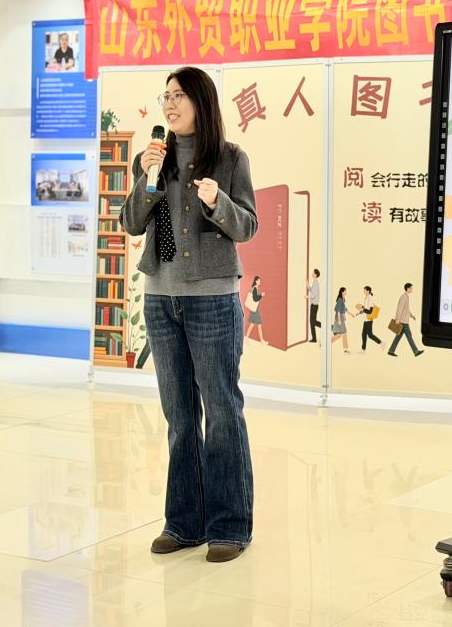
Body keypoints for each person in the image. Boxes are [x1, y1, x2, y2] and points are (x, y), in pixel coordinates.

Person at [119, 66, 257, 564]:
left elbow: (247, 226)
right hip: (161, 297)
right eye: (166, 97)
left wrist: (218, 201)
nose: (170, 104)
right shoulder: (152, 159)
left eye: (179, 95)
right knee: (179, 416)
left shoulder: (230, 157)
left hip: (212, 299)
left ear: (202, 101)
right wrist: (148, 179)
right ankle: (183, 523)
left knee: (221, 412)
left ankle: (229, 526)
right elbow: (131, 222)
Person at [388, 282, 424, 358]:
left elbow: (406, 308)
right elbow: (400, 308)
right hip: (403, 321)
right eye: (411, 288)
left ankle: (391, 351)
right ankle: (416, 352)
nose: (412, 289)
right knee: (409, 336)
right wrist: (397, 318)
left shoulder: (406, 296)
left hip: (403, 320)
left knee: (398, 336)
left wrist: (411, 315)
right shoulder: (404, 297)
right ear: (407, 288)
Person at [354, 286, 382, 353]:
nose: (364, 291)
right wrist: (360, 312)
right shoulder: (366, 298)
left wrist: (362, 308)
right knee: (364, 335)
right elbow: (366, 309)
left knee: (370, 335)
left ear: (368, 291)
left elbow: (370, 311)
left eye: (365, 290)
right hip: (366, 319)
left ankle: (381, 343)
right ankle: (363, 350)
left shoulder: (370, 298)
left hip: (368, 320)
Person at [245, 275, 265, 343]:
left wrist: (260, 296)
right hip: (255, 310)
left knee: (252, 324)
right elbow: (255, 299)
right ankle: (262, 340)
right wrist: (261, 295)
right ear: (256, 281)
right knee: (258, 324)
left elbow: (255, 298)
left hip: (255, 309)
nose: (260, 281)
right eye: (259, 280)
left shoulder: (255, 288)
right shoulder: (255, 288)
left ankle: (247, 338)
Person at [331, 287, 350, 354]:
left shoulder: (342, 299)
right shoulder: (340, 300)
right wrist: (339, 320)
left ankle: (322, 343)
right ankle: (346, 349)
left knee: (339, 334)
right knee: (343, 333)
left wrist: (351, 314)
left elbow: (345, 309)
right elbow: (338, 311)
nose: (346, 293)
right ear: (342, 292)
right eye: (345, 291)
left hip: (341, 318)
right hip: (339, 318)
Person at [306, 269, 321, 343]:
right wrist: (307, 284)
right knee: (312, 322)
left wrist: (307, 297)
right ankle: (314, 339)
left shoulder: (316, 283)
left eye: (313, 272)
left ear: (315, 275)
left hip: (314, 305)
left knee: (313, 322)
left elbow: (314, 295)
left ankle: (327, 327)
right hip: (313, 305)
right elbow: (311, 290)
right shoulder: (314, 282)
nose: (312, 273)